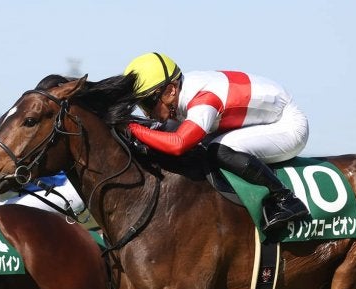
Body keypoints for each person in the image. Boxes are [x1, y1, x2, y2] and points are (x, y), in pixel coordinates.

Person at [123, 52, 310, 234]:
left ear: (171, 91)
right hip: (259, 119)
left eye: (147, 104)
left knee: (219, 149)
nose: (147, 113)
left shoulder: (203, 99)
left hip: (288, 125)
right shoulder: (181, 93)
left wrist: (132, 127)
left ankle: (285, 198)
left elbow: (178, 143)